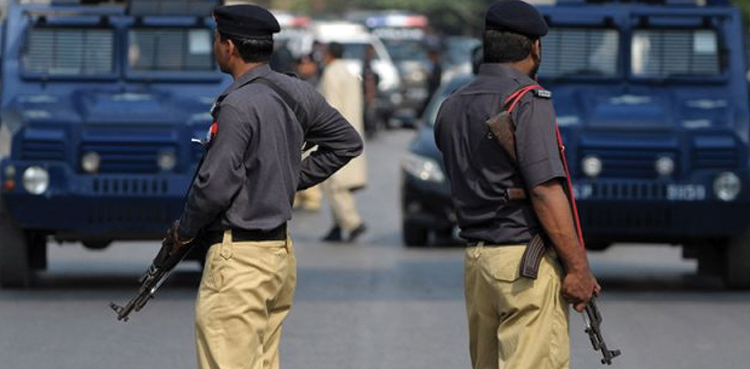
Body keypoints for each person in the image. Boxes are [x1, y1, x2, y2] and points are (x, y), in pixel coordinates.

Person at [161, 5, 363, 369]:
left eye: (217, 39)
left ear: (229, 48)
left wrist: (184, 232)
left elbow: (213, 186)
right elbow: (347, 142)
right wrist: (289, 177)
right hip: (277, 257)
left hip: (238, 261)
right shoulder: (295, 91)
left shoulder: (237, 104)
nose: (216, 46)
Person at [433, 1, 600, 369]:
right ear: (535, 47)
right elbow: (544, 189)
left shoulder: (452, 105)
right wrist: (578, 269)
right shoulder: (527, 99)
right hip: (524, 263)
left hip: (478, 262)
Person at [317, 42, 368, 242]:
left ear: (328, 54)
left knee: (335, 184)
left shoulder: (331, 73)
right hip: (351, 132)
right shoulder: (348, 71)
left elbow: (330, 106)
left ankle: (352, 223)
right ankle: (337, 226)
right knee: (341, 184)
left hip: (335, 135)